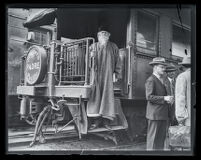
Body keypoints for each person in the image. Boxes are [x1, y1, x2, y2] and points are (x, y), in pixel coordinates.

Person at [87, 26, 124, 130]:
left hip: (108, 76)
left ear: (108, 36)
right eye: (101, 33)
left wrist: (117, 74)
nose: (103, 35)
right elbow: (88, 63)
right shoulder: (93, 46)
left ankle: (106, 122)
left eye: (105, 33)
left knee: (107, 97)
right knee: (96, 96)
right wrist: (91, 57)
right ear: (98, 35)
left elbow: (118, 62)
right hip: (96, 76)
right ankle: (96, 121)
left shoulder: (114, 47)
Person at [145, 57, 174, 150]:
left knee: (160, 140)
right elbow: (149, 97)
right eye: (162, 67)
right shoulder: (151, 80)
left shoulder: (162, 79)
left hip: (161, 114)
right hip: (155, 115)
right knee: (153, 140)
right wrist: (164, 98)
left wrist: (168, 99)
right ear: (155, 67)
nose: (164, 69)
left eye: (164, 67)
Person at [175, 56, 191, 126]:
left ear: (183, 66)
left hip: (189, 118)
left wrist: (180, 118)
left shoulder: (182, 76)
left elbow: (180, 98)